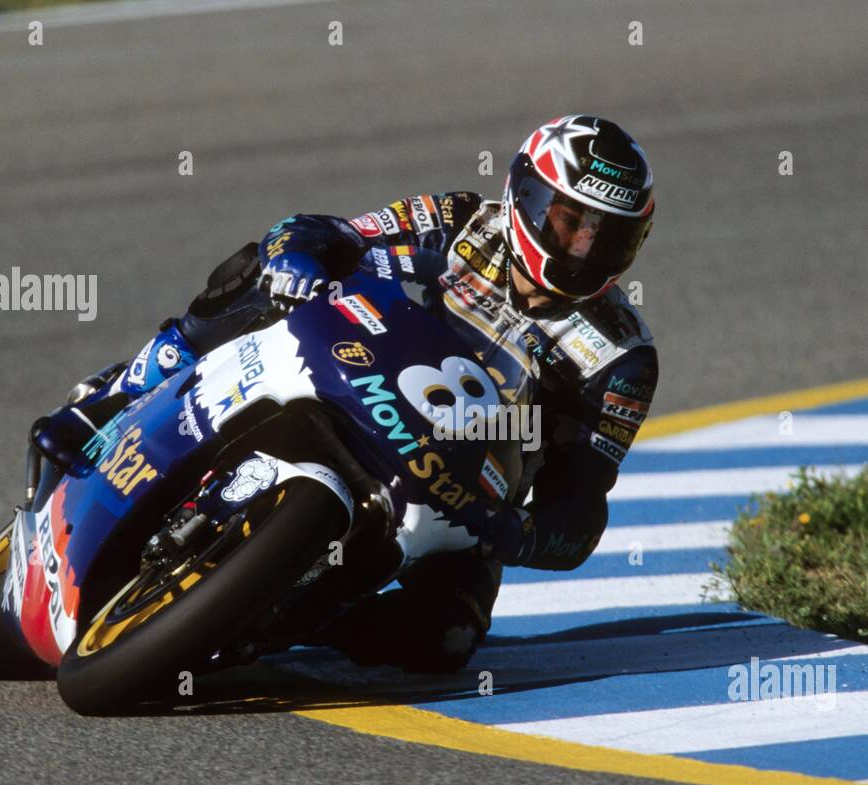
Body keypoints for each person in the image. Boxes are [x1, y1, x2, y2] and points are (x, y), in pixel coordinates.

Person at [34, 114, 659, 673]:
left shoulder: (622, 358)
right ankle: (114, 398)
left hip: (465, 494)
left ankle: (285, 618)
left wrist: (517, 534)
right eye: (571, 222)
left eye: (607, 238)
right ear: (525, 196)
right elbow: (325, 232)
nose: (583, 247)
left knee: (444, 642)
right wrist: (298, 259)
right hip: (355, 377)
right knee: (254, 272)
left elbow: (582, 503)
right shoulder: (462, 220)